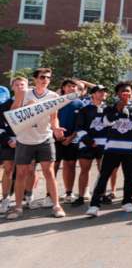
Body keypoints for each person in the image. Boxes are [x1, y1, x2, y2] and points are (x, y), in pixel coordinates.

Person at [7, 67, 65, 219]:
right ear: (35, 79)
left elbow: (54, 118)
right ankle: (18, 207)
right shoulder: (24, 93)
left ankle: (56, 205)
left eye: (48, 77)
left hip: (45, 138)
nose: (45, 80)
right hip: (24, 139)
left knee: (49, 172)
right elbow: (12, 114)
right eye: (42, 77)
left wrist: (56, 128)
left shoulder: (53, 96)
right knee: (21, 173)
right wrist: (27, 107)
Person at [85, 82, 132, 216]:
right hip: (112, 149)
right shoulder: (110, 108)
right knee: (104, 176)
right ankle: (94, 205)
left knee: (130, 177)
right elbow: (105, 122)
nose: (126, 94)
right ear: (118, 94)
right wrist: (117, 110)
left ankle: (127, 202)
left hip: (130, 151)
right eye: (123, 91)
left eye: (128, 91)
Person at [73, 84, 109, 206]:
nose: (103, 93)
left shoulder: (109, 109)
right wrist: (89, 141)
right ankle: (81, 197)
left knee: (103, 170)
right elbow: (79, 128)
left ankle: (102, 195)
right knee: (84, 170)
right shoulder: (85, 109)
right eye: (99, 91)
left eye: (104, 91)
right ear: (93, 94)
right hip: (87, 144)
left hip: (104, 144)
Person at [54, 78, 85, 204]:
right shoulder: (55, 102)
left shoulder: (80, 104)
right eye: (69, 86)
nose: (72, 88)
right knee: (53, 166)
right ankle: (50, 195)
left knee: (70, 165)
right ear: (63, 88)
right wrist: (56, 132)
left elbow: (81, 124)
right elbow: (50, 120)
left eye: (74, 86)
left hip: (72, 140)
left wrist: (71, 137)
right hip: (55, 138)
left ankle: (68, 193)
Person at [0, 77, 25, 214]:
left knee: (28, 170)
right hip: (9, 142)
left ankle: (27, 197)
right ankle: (5, 199)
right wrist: (9, 141)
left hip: (28, 141)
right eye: (17, 85)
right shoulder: (3, 106)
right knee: (8, 169)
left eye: (22, 85)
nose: (20, 87)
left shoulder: (32, 104)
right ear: (12, 87)